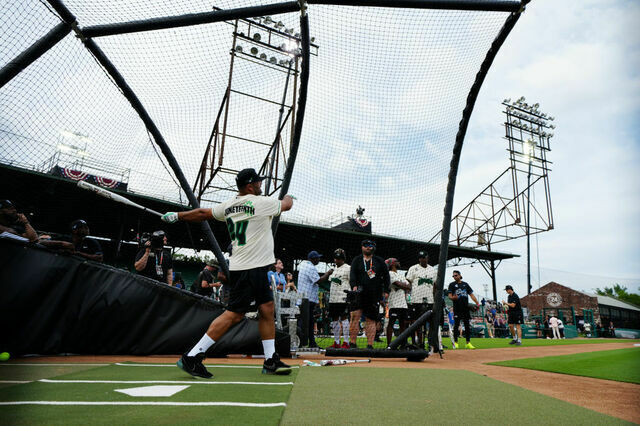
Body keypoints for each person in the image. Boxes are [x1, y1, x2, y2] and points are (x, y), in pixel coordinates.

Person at [161, 168, 294, 378]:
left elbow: (202, 213)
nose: (261, 185)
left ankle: (270, 360)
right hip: (251, 267)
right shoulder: (260, 203)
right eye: (258, 182)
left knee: (267, 309)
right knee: (234, 314)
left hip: (250, 266)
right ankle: (193, 356)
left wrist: (177, 215)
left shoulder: (230, 205)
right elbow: (286, 205)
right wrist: (289, 196)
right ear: (249, 186)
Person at [349, 239, 390, 349]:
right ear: (362, 247)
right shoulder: (357, 260)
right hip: (358, 293)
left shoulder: (379, 261)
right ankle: (352, 343)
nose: (368, 247)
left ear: (374, 248)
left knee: (370, 319)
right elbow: (352, 275)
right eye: (366, 245)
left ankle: (370, 345)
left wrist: (386, 291)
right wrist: (354, 286)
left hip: (373, 294)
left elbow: (387, 277)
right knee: (354, 317)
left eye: (371, 245)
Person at [297, 250, 333, 348]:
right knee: (305, 322)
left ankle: (311, 343)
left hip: (305, 298)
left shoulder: (304, 265)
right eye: (317, 258)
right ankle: (301, 342)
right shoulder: (310, 267)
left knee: (309, 322)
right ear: (313, 259)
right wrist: (328, 273)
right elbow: (319, 280)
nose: (319, 259)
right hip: (307, 299)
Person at [405, 251, 436, 348]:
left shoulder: (432, 269)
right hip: (416, 300)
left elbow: (435, 285)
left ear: (427, 258)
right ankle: (419, 343)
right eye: (421, 258)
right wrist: (407, 294)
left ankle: (431, 344)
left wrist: (435, 297)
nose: (423, 259)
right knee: (416, 323)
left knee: (431, 323)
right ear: (419, 259)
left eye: (425, 257)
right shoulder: (413, 268)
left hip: (430, 300)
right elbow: (408, 282)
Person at [447, 270, 480, 349]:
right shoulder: (452, 285)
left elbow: (471, 295)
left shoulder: (465, 284)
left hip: (465, 308)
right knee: (456, 326)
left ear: (459, 275)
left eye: (456, 275)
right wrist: (452, 298)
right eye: (453, 276)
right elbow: (449, 296)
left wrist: (477, 303)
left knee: (467, 326)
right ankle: (456, 342)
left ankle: (468, 343)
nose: (454, 277)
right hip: (457, 308)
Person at [327, 249, 351, 349]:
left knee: (344, 318)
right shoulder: (333, 269)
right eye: (336, 258)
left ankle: (346, 342)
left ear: (343, 259)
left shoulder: (348, 268)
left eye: (339, 258)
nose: (337, 260)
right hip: (333, 298)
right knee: (334, 320)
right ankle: (336, 342)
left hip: (342, 297)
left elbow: (352, 281)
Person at [385, 258, 410, 348]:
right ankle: (389, 345)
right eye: (396, 261)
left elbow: (408, 286)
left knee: (403, 324)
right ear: (392, 264)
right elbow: (398, 284)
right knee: (391, 323)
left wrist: (404, 286)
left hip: (403, 303)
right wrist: (404, 286)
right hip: (394, 303)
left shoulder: (400, 275)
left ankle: (403, 344)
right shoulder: (390, 274)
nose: (399, 262)